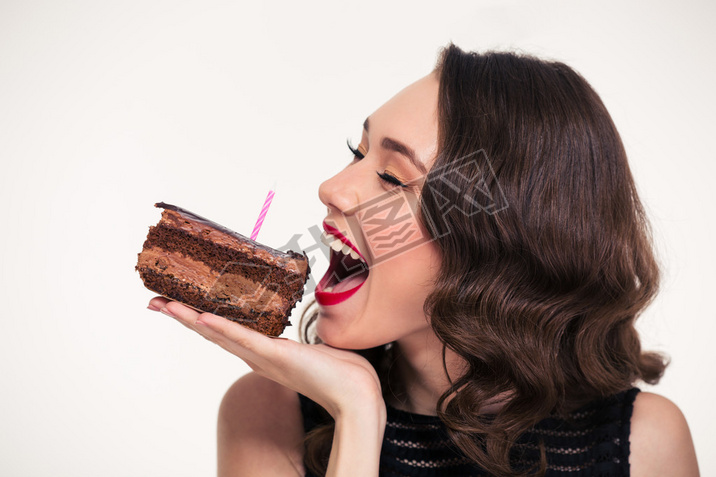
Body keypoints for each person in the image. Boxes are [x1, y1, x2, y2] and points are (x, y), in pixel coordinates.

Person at [147, 44, 699, 476]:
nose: (331, 189)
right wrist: (358, 415)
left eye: (391, 177)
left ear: (500, 239)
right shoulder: (267, 415)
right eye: (356, 153)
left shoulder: (646, 443)